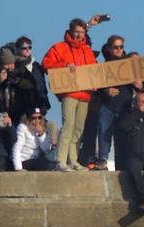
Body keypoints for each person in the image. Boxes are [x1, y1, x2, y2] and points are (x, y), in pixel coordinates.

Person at [42, 16, 101, 172]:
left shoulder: (87, 50)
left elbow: (93, 70)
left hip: (85, 94)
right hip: (69, 93)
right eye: (76, 31)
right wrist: (64, 65)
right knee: (68, 126)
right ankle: (61, 161)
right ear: (70, 32)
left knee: (79, 129)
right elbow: (46, 64)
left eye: (82, 32)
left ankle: (73, 160)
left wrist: (95, 83)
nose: (79, 35)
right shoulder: (60, 47)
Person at [95, 35, 137, 171]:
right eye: (116, 47)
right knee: (104, 130)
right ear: (109, 48)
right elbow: (98, 88)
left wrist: (138, 84)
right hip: (108, 105)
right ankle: (103, 159)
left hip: (125, 105)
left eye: (121, 47)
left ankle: (122, 164)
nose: (119, 50)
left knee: (122, 136)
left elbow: (139, 86)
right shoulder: (104, 66)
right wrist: (106, 91)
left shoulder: (129, 64)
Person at [12, 105, 58, 171]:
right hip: (24, 160)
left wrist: (41, 134)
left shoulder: (42, 127)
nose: (37, 120)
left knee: (53, 162)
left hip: (36, 159)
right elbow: (16, 148)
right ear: (29, 118)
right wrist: (19, 168)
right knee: (47, 165)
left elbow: (46, 149)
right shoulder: (22, 127)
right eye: (34, 118)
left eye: (39, 117)